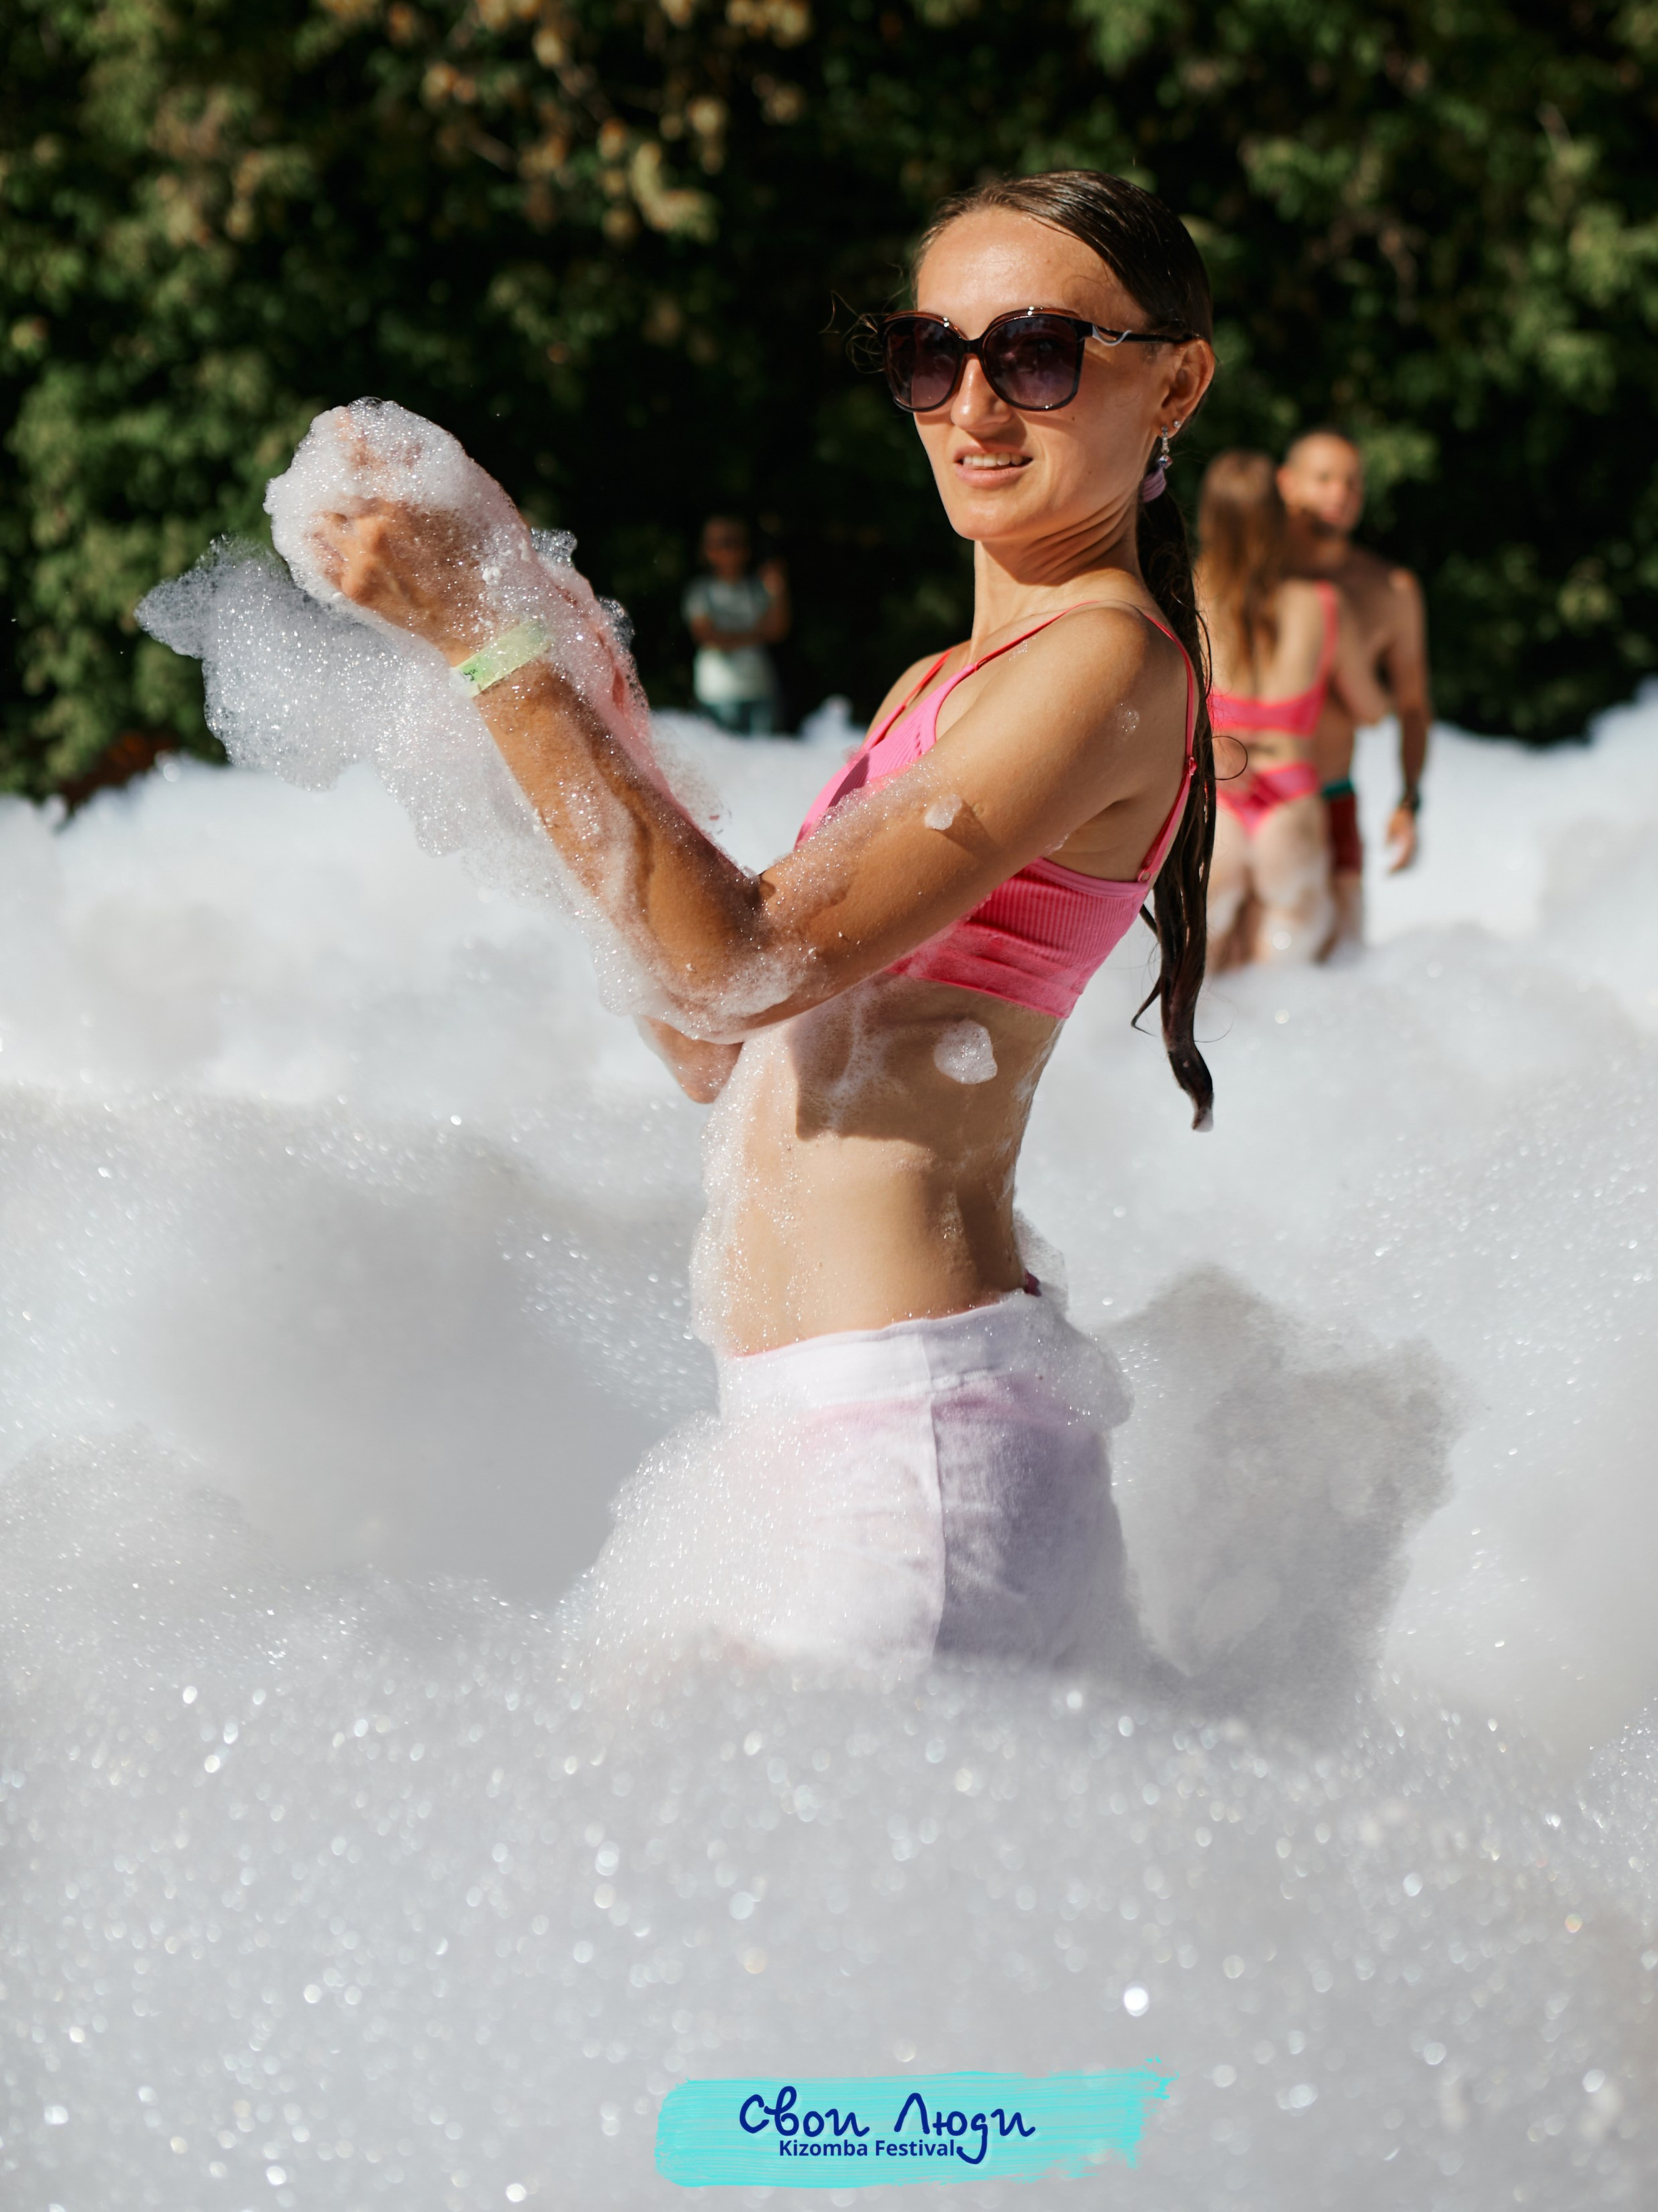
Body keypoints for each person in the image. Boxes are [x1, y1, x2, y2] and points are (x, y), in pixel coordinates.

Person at [302, 170, 1217, 1678]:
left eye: (1038, 354)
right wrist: (560, 649)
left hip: (915, 1452)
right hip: (800, 1436)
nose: (973, 407)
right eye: (933, 356)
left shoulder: (1104, 663)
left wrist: (493, 639)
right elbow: (705, 1040)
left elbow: (728, 963)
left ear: (1172, 379)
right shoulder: (939, 685)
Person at [1196, 452, 1384, 969]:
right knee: (1285, 981)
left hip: (1219, 797)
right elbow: (1371, 710)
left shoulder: (1185, 598)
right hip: (1291, 793)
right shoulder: (1322, 605)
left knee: (1198, 977)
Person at [1276, 430, 1432, 947]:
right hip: (1245, 802)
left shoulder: (1390, 589)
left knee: (1340, 974)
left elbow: (1412, 706)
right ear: (1287, 484)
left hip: (1334, 797)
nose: (1340, 494)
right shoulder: (1246, 577)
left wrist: (1409, 798)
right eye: (1324, 479)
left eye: (1353, 484)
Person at [682, 515, 789, 735]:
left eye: (734, 542)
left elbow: (777, 631)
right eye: (721, 543)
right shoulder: (700, 591)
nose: (728, 550)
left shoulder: (757, 589)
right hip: (716, 693)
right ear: (706, 550)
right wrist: (757, 634)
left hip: (759, 689)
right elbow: (707, 636)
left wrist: (778, 592)